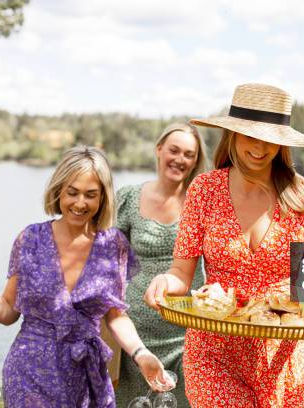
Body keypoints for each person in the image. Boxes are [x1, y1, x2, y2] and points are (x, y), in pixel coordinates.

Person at [145, 83, 304, 407]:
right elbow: (181, 274)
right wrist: (164, 282)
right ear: (233, 135)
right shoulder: (205, 190)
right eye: (251, 135)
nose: (260, 148)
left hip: (281, 355)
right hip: (214, 353)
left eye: (271, 140)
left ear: (283, 144)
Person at [0, 146, 172, 408]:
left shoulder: (114, 246)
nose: (79, 203)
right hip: (28, 373)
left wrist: (141, 353)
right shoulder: (30, 239)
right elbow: (8, 310)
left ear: (103, 198)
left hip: (87, 377)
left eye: (91, 195)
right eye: (72, 192)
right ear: (58, 190)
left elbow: (115, 316)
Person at [114, 123, 207, 407]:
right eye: (174, 150)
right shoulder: (129, 197)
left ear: (195, 161)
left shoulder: (202, 202)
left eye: (189, 154)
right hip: (136, 332)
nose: (180, 159)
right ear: (159, 150)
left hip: (188, 330)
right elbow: (111, 266)